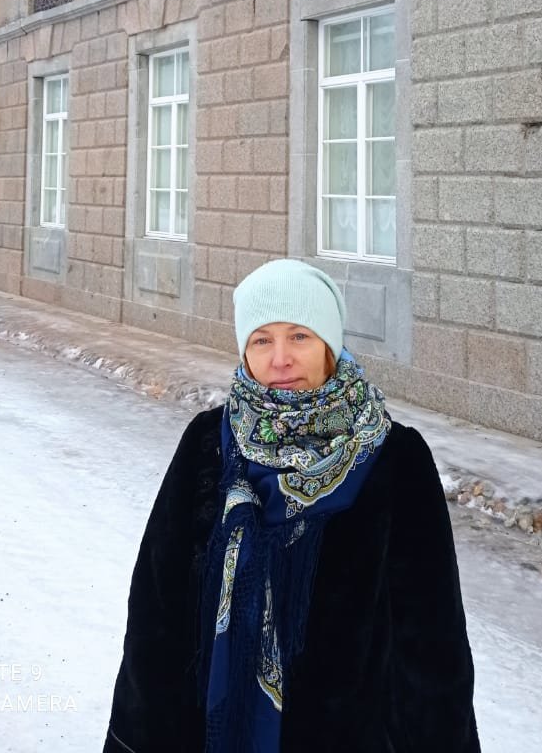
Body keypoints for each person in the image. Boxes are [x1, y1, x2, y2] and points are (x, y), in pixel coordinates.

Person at [103, 258, 480, 753]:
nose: (280, 359)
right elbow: (156, 606)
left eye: (299, 336)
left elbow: (433, 637)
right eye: (262, 340)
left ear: (329, 345)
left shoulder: (395, 458)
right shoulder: (208, 443)